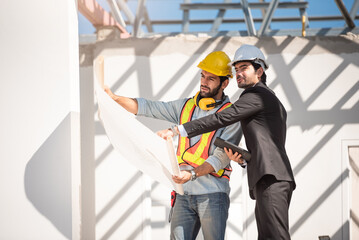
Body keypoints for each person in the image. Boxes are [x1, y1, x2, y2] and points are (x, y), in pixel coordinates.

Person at [157, 44, 296, 240]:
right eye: (236, 69)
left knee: (275, 237)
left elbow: (220, 118)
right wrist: (242, 159)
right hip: (267, 177)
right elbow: (267, 146)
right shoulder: (266, 98)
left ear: (259, 71)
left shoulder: (257, 95)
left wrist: (178, 129)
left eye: (244, 68)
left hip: (272, 178)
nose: (238, 73)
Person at [104, 51, 242, 240]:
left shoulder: (231, 115)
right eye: (202, 76)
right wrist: (114, 98)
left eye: (211, 78)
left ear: (224, 83)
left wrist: (192, 174)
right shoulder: (186, 107)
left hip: (213, 195)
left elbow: (221, 157)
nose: (204, 82)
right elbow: (149, 108)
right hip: (183, 194)